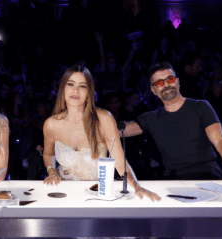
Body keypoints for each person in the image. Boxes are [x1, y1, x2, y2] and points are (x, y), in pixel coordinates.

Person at [42, 65, 160, 201]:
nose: (75, 90)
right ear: (63, 88)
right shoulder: (51, 124)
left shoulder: (104, 119)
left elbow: (120, 163)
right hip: (64, 194)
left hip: (97, 195)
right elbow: (48, 153)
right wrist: (52, 171)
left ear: (89, 92)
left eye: (82, 86)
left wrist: (136, 186)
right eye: (70, 84)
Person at [124, 61, 222, 184]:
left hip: (205, 175)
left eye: (170, 79)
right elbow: (118, 130)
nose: (166, 85)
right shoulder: (150, 118)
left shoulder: (200, 107)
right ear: (153, 90)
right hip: (171, 178)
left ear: (177, 81)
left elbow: (219, 140)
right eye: (159, 83)